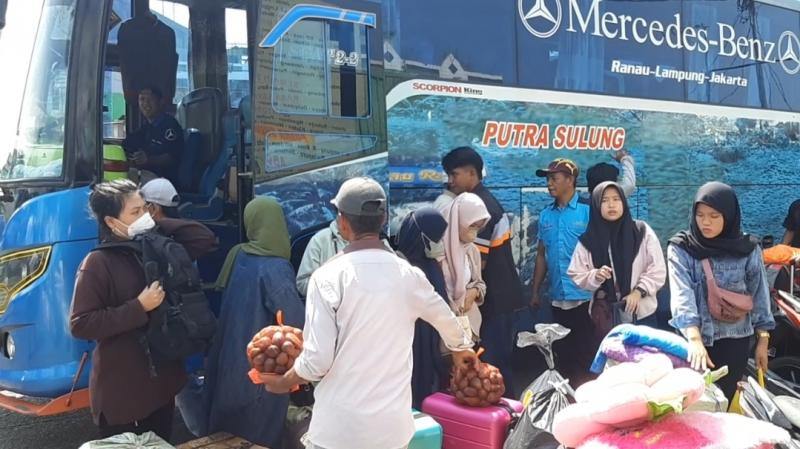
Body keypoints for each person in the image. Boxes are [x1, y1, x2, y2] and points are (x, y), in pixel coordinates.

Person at [260, 177, 476, 449]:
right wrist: (461, 348)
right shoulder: (408, 274)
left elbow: (317, 362)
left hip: (339, 432)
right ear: (383, 218)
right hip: (392, 432)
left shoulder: (327, 277)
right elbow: (447, 320)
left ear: (343, 222)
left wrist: (284, 383)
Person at [70, 179, 216, 441]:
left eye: (146, 208)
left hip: (162, 383)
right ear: (112, 222)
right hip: (124, 391)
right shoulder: (97, 263)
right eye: (135, 212)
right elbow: (81, 323)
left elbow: (202, 238)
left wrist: (153, 223)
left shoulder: (156, 247)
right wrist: (139, 307)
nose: (144, 216)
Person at [205, 197, 305, 447]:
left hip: (228, 360)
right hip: (262, 364)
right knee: (258, 432)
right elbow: (295, 320)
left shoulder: (239, 255)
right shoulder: (276, 268)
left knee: (229, 433)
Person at [668, 181, 775, 402]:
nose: (705, 222)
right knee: (694, 407)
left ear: (729, 215)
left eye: (714, 216)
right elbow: (682, 295)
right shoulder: (681, 247)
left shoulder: (748, 248)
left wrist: (763, 340)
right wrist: (694, 338)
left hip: (735, 341)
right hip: (693, 343)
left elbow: (759, 295)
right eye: (700, 215)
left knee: (725, 406)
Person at [441, 146, 523, 394]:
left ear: (471, 173)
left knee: (495, 367)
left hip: (495, 302)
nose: (450, 181)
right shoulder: (482, 201)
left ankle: (511, 420)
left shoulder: (478, 207)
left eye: (454, 174)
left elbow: (478, 262)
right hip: (502, 298)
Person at [567, 182, 666, 335]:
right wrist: (595, 275)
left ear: (624, 202)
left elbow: (657, 269)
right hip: (607, 316)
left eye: (616, 199)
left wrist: (639, 291)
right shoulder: (589, 239)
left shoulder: (641, 231)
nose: (611, 205)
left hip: (642, 314)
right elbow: (576, 273)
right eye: (604, 201)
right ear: (596, 205)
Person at [530, 158, 592, 383]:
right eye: (547, 179)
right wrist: (535, 291)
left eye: (554, 178)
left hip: (587, 299)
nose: (549, 184)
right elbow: (540, 254)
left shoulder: (588, 211)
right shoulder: (546, 214)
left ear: (570, 180)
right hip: (557, 297)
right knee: (563, 356)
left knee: (586, 356)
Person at [396, 207, 451, 408]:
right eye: (436, 238)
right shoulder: (402, 266)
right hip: (412, 338)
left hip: (432, 336)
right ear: (422, 237)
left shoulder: (431, 264)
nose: (440, 244)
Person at [441, 193, 489, 344]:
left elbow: (480, 283)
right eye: (472, 225)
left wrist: (474, 292)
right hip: (443, 328)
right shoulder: (437, 251)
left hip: (469, 327)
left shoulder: (471, 250)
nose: (475, 231)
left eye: (479, 227)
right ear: (458, 221)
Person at [122, 86, 183, 184]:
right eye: (142, 99)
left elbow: (172, 158)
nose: (146, 103)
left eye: (150, 99)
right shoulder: (146, 127)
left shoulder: (170, 125)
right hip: (147, 175)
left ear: (161, 102)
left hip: (164, 180)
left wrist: (148, 160)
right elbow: (127, 143)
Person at [295, 220, 348, 297]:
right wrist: (332, 284)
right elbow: (302, 285)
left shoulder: (369, 241)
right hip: (330, 306)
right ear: (341, 215)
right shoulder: (320, 240)